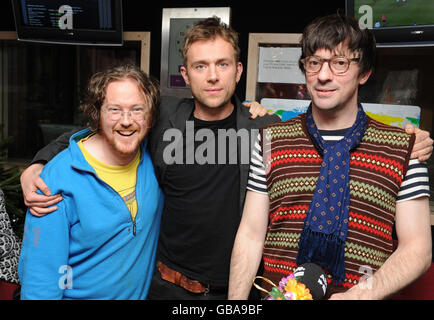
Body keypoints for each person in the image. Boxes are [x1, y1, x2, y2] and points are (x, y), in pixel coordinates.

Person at [19, 17, 280, 300]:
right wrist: (39, 163)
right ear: (185, 74)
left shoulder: (263, 128)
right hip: (168, 289)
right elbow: (101, 130)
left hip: (238, 291)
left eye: (223, 64)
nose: (212, 76)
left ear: (238, 71)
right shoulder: (163, 118)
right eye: (200, 66)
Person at [228, 14, 432, 300]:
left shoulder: (404, 147)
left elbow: (418, 249)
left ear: (364, 72)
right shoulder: (270, 139)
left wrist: (357, 296)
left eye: (339, 63)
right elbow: (250, 235)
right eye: (314, 63)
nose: (323, 76)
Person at [18, 64, 164, 299]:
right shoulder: (56, 180)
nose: (126, 121)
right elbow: (40, 280)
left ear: (150, 116)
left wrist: (245, 112)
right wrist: (37, 165)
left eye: (137, 110)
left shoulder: (154, 157)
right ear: (98, 113)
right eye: (114, 110)